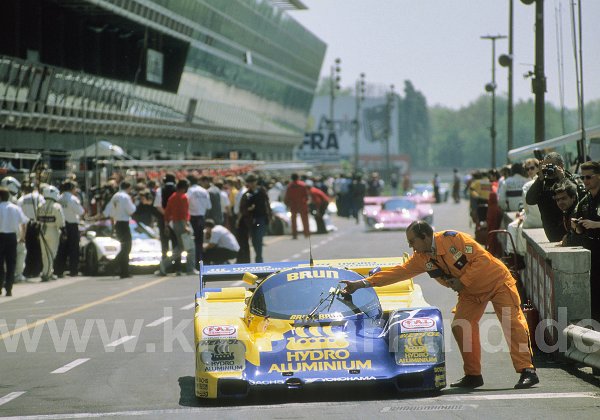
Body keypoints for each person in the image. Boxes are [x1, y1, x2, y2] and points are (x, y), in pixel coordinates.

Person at [341, 220, 539, 389]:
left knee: (512, 322)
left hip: (497, 282)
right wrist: (361, 284)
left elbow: (481, 260)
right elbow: (398, 273)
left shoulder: (455, 239)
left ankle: (527, 370)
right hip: (470, 293)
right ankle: (473, 375)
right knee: (461, 327)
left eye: (413, 242)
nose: (412, 247)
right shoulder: (421, 258)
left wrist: (463, 281)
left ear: (426, 237)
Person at [526, 152, 585, 242]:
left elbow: (580, 199)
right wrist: (540, 179)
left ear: (561, 165)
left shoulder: (573, 179)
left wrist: (563, 179)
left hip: (572, 234)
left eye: (551, 165)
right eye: (546, 166)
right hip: (552, 234)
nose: (549, 168)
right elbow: (530, 200)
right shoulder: (542, 184)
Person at [571, 161, 600, 322]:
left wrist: (596, 224)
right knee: (594, 296)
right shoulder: (585, 200)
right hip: (592, 253)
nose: (585, 181)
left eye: (589, 177)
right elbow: (579, 228)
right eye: (582, 177)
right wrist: (577, 226)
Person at [104, 181, 136, 278]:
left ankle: (123, 271)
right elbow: (131, 210)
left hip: (118, 222)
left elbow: (108, 210)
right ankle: (113, 266)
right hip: (124, 223)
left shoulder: (115, 196)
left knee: (124, 248)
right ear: (128, 187)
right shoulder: (125, 197)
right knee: (127, 248)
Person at [0, 187, 28, 296]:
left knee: (0, 263)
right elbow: (24, 222)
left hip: (0, 236)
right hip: (12, 237)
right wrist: (22, 236)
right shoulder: (15, 208)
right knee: (11, 263)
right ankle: (9, 288)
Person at [55, 181, 84, 277]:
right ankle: (73, 270)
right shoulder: (72, 198)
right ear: (71, 189)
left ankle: (59, 270)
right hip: (72, 225)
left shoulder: (58, 198)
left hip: (61, 225)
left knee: (61, 249)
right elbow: (80, 211)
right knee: (73, 249)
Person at [240, 174, 271, 263]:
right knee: (253, 240)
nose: (252, 184)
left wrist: (269, 216)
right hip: (251, 219)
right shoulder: (247, 194)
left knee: (259, 238)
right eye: (249, 182)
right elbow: (243, 208)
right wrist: (249, 209)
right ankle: (258, 257)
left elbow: (267, 204)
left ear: (256, 182)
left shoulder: (262, 191)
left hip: (261, 218)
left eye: (253, 181)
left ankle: (259, 259)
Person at [163, 179, 191, 275]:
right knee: (187, 246)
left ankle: (165, 264)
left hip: (175, 223)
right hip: (182, 223)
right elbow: (184, 212)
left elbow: (167, 212)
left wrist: (166, 224)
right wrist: (186, 225)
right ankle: (189, 268)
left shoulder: (172, 197)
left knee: (181, 246)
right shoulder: (183, 197)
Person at [37, 185, 65, 282]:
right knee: (51, 252)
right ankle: (47, 273)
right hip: (53, 230)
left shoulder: (40, 205)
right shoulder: (56, 206)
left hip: (42, 230)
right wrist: (64, 231)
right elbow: (61, 221)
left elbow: (38, 219)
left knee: (44, 253)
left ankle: (48, 271)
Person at [187, 175, 211, 271]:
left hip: (192, 218)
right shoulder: (204, 191)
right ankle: (200, 263)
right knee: (200, 243)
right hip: (201, 217)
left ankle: (193, 264)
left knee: (192, 243)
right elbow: (209, 206)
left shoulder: (190, 191)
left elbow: (186, 204)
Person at [551, 180, 580, 247]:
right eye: (557, 200)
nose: (560, 202)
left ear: (573, 197)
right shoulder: (567, 212)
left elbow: (578, 240)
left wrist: (566, 239)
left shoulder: (577, 213)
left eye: (564, 198)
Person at [284, 173, 309, 239]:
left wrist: (287, 204)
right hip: (302, 204)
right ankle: (306, 234)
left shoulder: (289, 186)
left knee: (293, 221)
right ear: (298, 177)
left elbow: (287, 196)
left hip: (293, 205)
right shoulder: (302, 185)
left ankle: (294, 235)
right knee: (305, 220)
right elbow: (306, 195)